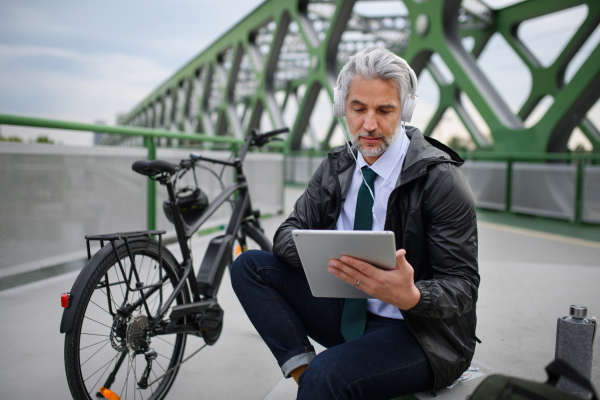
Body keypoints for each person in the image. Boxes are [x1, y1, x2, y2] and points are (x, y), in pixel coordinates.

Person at [230, 46, 479, 399]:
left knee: (327, 378)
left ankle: (321, 382)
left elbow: (464, 286)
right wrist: (335, 260)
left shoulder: (440, 180)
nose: (370, 125)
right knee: (249, 266)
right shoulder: (336, 166)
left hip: (418, 333)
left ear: (404, 111)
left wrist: (413, 295)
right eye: (358, 109)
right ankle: (306, 374)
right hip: (348, 312)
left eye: (385, 110)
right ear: (342, 109)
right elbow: (287, 233)